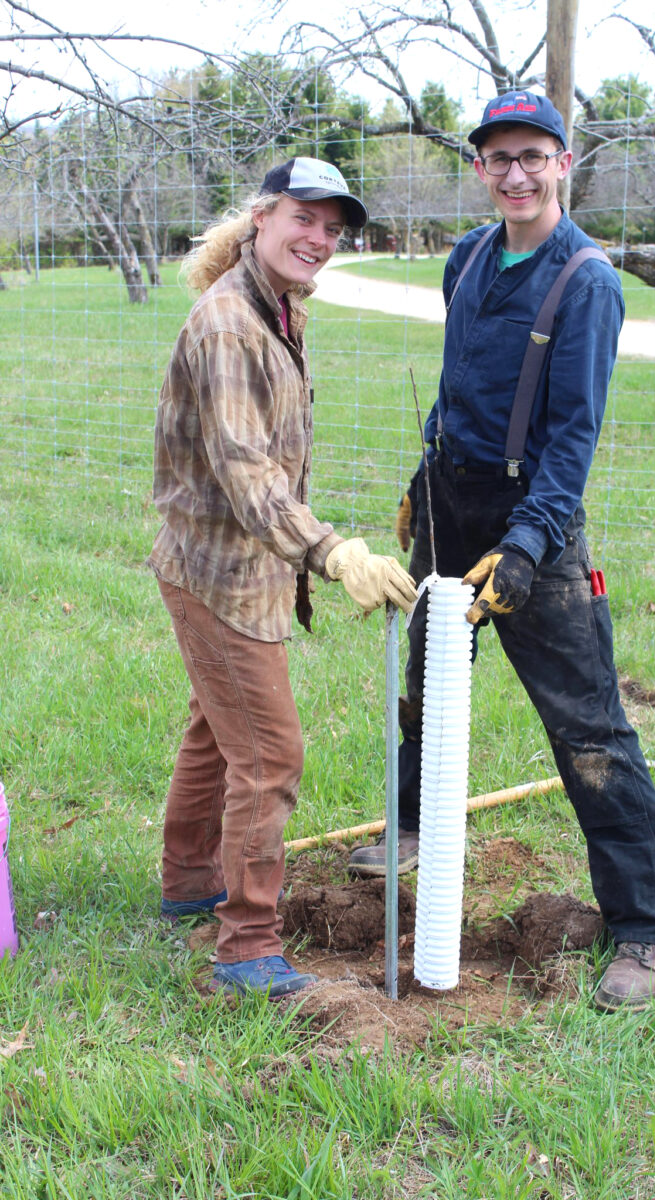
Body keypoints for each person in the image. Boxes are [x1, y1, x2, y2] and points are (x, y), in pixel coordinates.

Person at [348, 92, 655, 1012]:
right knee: (432, 677)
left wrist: (529, 545)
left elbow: (572, 438)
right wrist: (424, 480)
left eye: (534, 156)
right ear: (482, 168)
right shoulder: (468, 257)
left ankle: (643, 929)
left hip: (534, 518)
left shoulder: (588, 282)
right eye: (499, 159)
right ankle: (413, 823)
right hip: (453, 502)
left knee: (588, 729)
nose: (517, 175)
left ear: (564, 163)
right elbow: (458, 389)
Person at [148, 157, 417, 999]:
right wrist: (331, 551)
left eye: (334, 229)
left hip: (235, 568)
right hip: (220, 575)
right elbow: (243, 468)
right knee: (269, 754)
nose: (321, 239)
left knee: (213, 731)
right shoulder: (230, 321)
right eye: (306, 218)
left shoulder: (276, 310)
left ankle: (190, 881)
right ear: (260, 216)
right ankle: (247, 945)